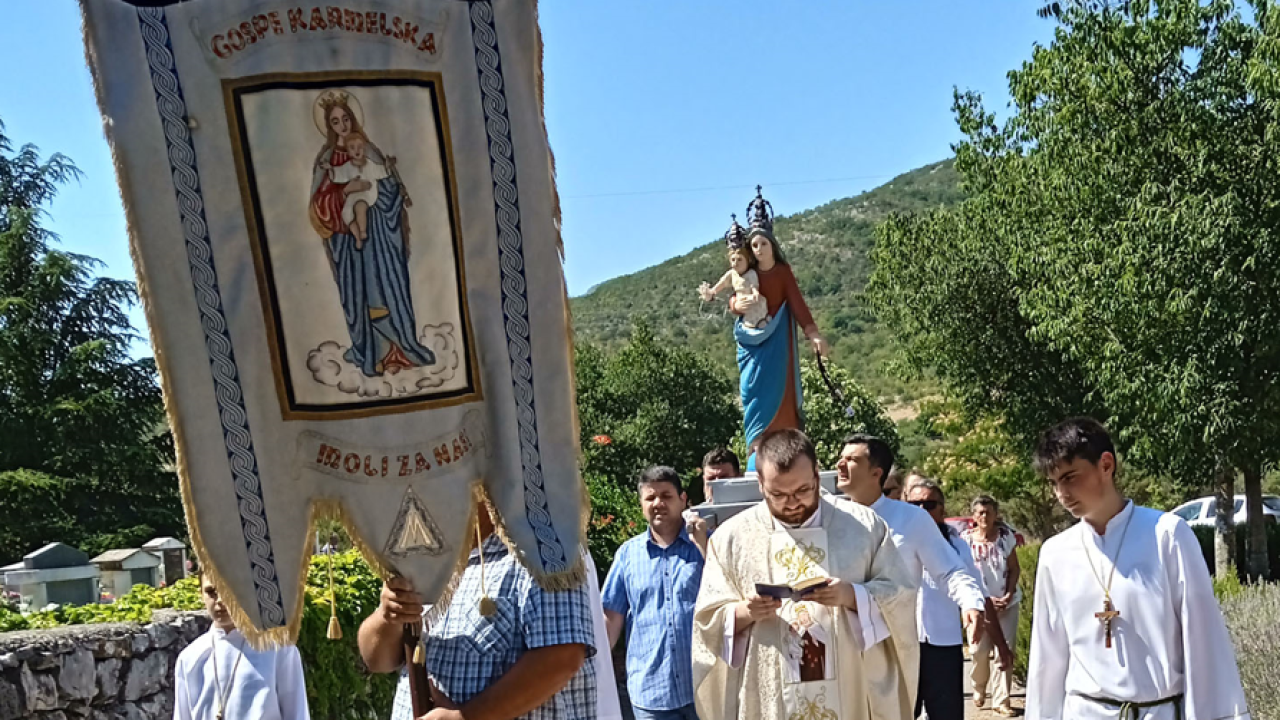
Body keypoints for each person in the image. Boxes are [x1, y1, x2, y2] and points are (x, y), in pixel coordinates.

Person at [1025, 418, 1250, 720]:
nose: (1060, 494)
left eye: (1069, 477)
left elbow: (1203, 642)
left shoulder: (1167, 535)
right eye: (1053, 483)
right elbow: (1047, 658)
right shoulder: (1056, 553)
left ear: (1106, 465)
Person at [692, 428, 918, 720]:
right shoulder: (731, 539)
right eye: (778, 494)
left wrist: (853, 596)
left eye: (802, 490)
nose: (792, 502)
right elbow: (706, 622)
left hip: (849, 691)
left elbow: (901, 595)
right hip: (770, 699)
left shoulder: (863, 527)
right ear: (760, 484)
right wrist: (744, 612)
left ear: (816, 474)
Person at [358, 500, 596, 720]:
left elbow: (561, 657)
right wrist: (387, 615)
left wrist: (465, 717)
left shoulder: (544, 545)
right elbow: (378, 661)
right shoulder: (419, 555)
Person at [832, 434, 987, 713]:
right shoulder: (831, 517)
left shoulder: (911, 519)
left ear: (876, 473)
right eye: (840, 458)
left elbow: (949, 570)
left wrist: (970, 603)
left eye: (851, 460)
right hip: (845, 648)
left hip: (896, 647)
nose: (840, 465)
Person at [309, 92, 435, 377]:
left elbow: (388, 186)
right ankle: (374, 353)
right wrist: (344, 192)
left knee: (386, 289)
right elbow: (318, 205)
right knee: (363, 294)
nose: (341, 125)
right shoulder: (327, 159)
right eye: (335, 121)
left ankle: (400, 348)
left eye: (345, 119)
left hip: (380, 241)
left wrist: (388, 190)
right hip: (350, 246)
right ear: (329, 125)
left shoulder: (369, 149)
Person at [727, 191, 828, 468]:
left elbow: (797, 304)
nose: (758, 249)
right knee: (752, 392)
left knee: (780, 392)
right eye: (754, 245)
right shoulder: (747, 274)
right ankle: (757, 449)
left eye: (762, 243)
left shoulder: (782, 273)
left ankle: (787, 447)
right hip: (750, 343)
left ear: (772, 244)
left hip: (777, 343)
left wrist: (813, 333)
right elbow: (733, 298)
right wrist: (737, 303)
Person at [602, 467, 706, 720]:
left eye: (666, 495)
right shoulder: (627, 554)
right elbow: (611, 616)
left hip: (705, 685)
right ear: (641, 504)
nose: (658, 503)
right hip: (651, 693)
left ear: (683, 499)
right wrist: (596, 669)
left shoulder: (706, 544)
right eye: (650, 497)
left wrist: (705, 546)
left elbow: (729, 595)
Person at [903, 479, 1009, 720]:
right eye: (914, 504)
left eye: (929, 504)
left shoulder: (957, 547)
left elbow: (978, 595)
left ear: (942, 509)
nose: (921, 511)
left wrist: (1000, 645)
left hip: (943, 648)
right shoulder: (893, 543)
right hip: (904, 645)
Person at [174, 575, 309, 720]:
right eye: (211, 592)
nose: (220, 600)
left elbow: (297, 713)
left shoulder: (278, 649)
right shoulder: (189, 657)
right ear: (201, 594)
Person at [962, 495, 1021, 715]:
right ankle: (978, 686)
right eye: (980, 512)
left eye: (989, 512)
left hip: (1006, 604)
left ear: (996, 514)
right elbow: (962, 573)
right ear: (974, 516)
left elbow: (1014, 568)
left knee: (1004, 650)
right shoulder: (965, 540)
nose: (985, 516)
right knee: (978, 649)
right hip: (977, 605)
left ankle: (1001, 700)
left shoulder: (1005, 538)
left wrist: (1008, 593)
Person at [324, 132, 388, 245]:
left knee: (360, 207)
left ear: (363, 148)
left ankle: (363, 231)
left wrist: (387, 166)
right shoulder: (348, 166)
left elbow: (381, 171)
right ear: (348, 151)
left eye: (359, 147)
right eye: (352, 148)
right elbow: (338, 174)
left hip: (368, 194)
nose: (356, 150)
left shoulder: (370, 164)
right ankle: (357, 237)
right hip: (353, 195)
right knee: (346, 214)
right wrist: (330, 168)